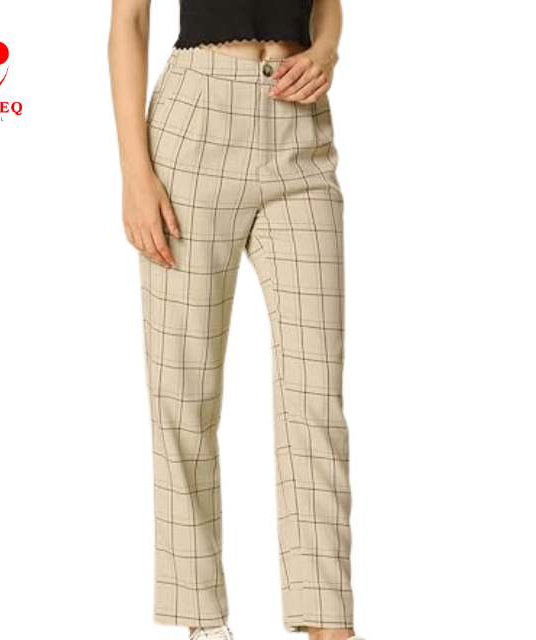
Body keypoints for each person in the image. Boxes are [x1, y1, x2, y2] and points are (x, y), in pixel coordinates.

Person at [108, 1, 365, 639]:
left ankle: (329, 624)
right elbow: (129, 23)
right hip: (195, 125)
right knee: (184, 394)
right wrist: (135, 173)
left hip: (301, 130)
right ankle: (202, 622)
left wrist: (326, 51)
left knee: (315, 395)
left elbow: (327, 4)